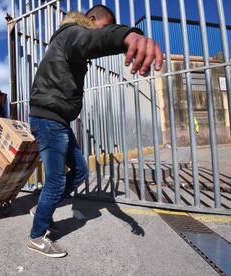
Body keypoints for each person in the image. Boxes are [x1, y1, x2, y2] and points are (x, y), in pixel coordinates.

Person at [27, 5, 163, 257]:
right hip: (48, 119)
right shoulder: (74, 33)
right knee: (56, 182)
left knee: (79, 171)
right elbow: (92, 39)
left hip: (58, 120)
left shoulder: (66, 39)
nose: (107, 31)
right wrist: (127, 35)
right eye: (107, 26)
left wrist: (129, 220)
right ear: (91, 20)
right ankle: (37, 235)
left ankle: (41, 209)